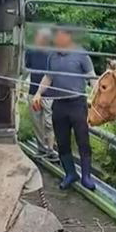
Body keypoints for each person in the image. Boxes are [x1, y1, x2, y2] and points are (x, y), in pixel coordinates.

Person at [32, 26, 97, 190]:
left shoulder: (81, 55)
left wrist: (95, 98)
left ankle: (86, 177)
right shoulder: (52, 56)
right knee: (62, 142)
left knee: (83, 141)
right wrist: (38, 93)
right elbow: (48, 77)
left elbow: (92, 79)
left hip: (78, 104)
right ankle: (70, 174)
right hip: (59, 104)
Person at [25, 28, 59, 162]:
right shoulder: (31, 51)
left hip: (50, 94)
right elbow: (27, 68)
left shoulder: (54, 53)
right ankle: (41, 148)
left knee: (49, 123)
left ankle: (50, 149)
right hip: (33, 92)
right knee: (37, 122)